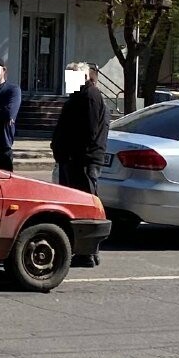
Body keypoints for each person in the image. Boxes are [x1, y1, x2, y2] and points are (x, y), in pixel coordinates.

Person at [51, 62, 110, 267]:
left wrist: (70, 153)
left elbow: (89, 130)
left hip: (82, 160)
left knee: (86, 206)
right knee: (75, 206)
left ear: (84, 77)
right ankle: (85, 251)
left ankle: (88, 252)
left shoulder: (90, 96)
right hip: (72, 159)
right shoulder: (77, 97)